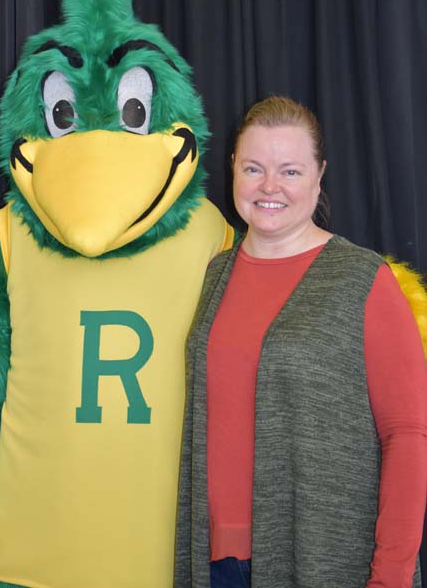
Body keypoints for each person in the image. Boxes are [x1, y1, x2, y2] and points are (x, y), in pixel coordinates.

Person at [174, 95, 427, 588]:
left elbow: (408, 436)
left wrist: (392, 575)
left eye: (290, 171)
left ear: (319, 174)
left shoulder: (362, 280)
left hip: (324, 561)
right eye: (254, 168)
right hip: (215, 564)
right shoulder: (216, 273)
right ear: (233, 169)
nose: (269, 187)